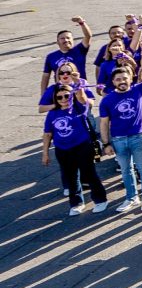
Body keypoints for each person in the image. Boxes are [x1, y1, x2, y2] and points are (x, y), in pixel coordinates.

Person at [41, 84, 109, 215]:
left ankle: (101, 200)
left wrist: (77, 85)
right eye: (59, 97)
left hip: (82, 146)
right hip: (62, 149)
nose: (63, 99)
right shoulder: (52, 113)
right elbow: (48, 134)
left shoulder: (79, 107)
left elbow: (83, 98)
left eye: (66, 96)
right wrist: (45, 153)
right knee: (70, 177)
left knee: (89, 174)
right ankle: (76, 203)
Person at [99, 59, 142, 212]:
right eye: (118, 79)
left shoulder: (138, 90)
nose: (122, 81)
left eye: (125, 78)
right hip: (118, 140)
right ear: (113, 81)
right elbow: (104, 123)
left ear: (131, 78)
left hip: (138, 136)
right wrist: (106, 143)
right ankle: (131, 198)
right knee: (126, 170)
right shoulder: (107, 100)